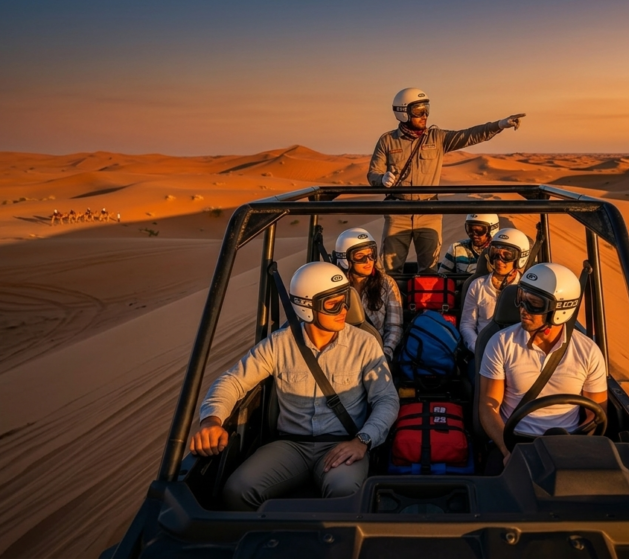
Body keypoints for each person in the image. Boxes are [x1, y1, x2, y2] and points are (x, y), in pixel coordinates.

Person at [189, 262, 399, 510]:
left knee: (345, 494)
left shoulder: (364, 343)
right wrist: (211, 420)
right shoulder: (279, 344)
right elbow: (233, 380)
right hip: (291, 445)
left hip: (343, 443)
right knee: (237, 491)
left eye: (345, 301)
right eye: (332, 304)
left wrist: (363, 440)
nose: (344, 309)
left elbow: (386, 399)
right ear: (306, 307)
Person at [368, 88, 525, 275]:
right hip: (397, 212)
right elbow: (373, 173)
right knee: (390, 270)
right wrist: (382, 179)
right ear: (403, 113)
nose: (424, 115)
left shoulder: (437, 138)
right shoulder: (387, 141)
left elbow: (469, 135)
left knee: (429, 269)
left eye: (426, 109)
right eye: (418, 111)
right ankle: (392, 304)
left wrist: (499, 125)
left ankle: (426, 305)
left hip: (429, 212)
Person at [477, 262, 607, 473]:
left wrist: (581, 449)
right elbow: (488, 406)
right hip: (515, 442)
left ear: (560, 309)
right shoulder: (501, 342)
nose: (522, 309)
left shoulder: (588, 352)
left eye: (534, 304)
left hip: (569, 444)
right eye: (521, 298)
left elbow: (597, 413)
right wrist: (508, 450)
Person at [333, 227, 403, 360]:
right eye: (360, 256)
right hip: (340, 353)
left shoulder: (387, 284)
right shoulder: (334, 286)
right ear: (344, 258)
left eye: (372, 254)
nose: (368, 261)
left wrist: (385, 354)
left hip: (375, 352)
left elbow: (394, 327)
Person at [460, 227, 530, 353]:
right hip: (482, 349)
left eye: (507, 255)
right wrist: (478, 348)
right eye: (495, 254)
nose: (499, 260)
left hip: (517, 352)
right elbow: (466, 324)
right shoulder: (477, 285)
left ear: (520, 257)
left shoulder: (527, 290)